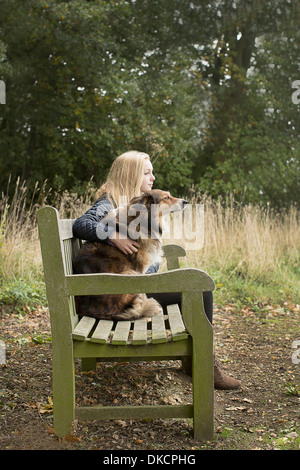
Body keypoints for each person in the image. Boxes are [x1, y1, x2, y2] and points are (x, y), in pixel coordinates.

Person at [73, 150, 241, 390]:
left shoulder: (133, 203)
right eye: (147, 172)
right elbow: (81, 225)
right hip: (121, 294)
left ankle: (197, 360)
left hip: (128, 288)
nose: (153, 178)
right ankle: (206, 366)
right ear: (131, 175)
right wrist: (113, 236)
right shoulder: (108, 202)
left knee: (193, 289)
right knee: (201, 290)